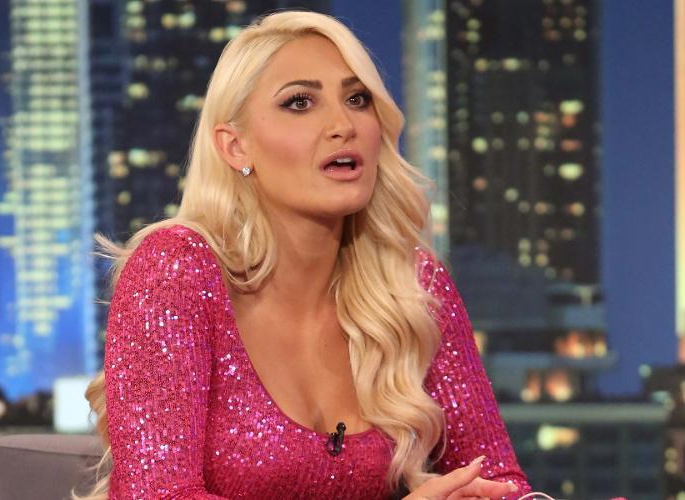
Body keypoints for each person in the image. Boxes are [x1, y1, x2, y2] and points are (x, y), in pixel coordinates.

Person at [74, 10, 531, 500]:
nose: (343, 125)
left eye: (357, 99)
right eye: (299, 102)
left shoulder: (410, 286)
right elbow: (156, 495)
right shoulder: (175, 271)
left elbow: (500, 481)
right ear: (235, 147)